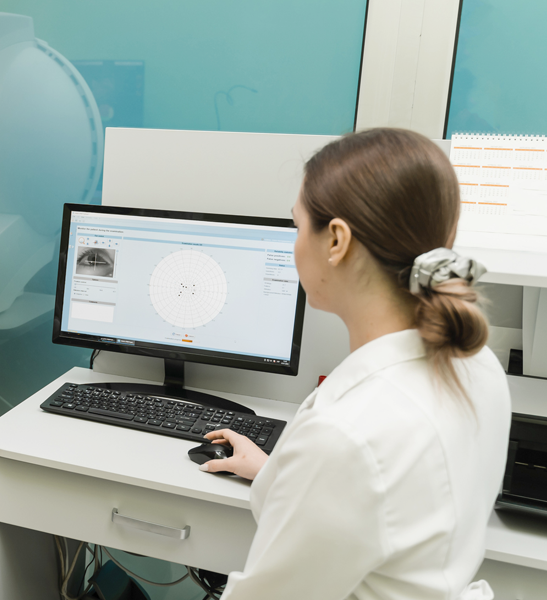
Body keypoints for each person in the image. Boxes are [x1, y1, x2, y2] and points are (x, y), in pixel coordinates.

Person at [201, 128, 510, 599]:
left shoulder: (346, 435)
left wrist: (315, 471)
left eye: (298, 225)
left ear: (336, 241)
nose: (294, 242)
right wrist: (278, 473)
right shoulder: (476, 363)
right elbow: (394, 511)